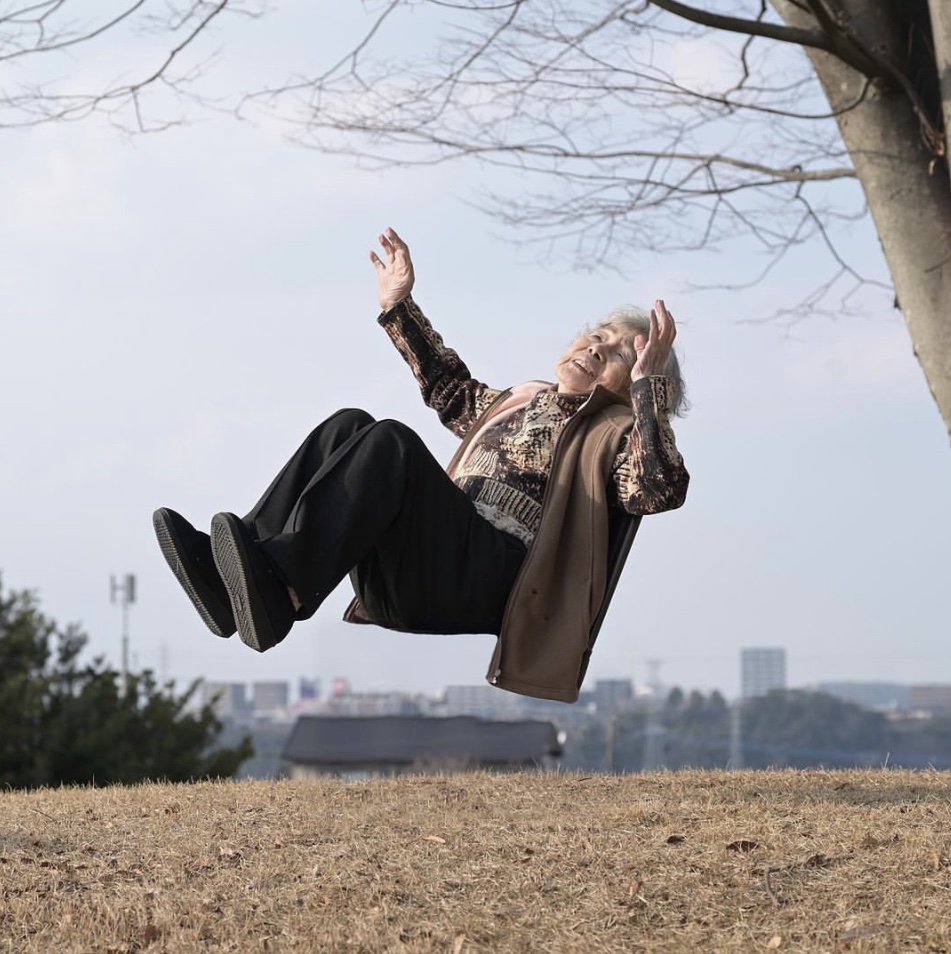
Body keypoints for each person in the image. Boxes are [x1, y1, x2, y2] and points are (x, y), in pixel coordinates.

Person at [153, 228, 689, 702]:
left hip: (490, 578)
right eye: (597, 336)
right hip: (424, 564)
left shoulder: (618, 432)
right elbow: (450, 390)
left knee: (392, 442)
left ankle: (283, 589)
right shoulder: (524, 396)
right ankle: (237, 582)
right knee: (349, 423)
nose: (598, 349)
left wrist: (648, 392)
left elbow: (659, 490)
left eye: (621, 353)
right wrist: (399, 306)